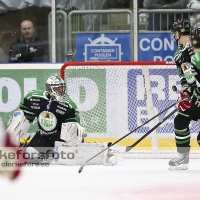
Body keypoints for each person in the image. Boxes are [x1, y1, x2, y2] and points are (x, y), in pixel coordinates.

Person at [6, 75, 119, 166]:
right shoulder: (33, 98)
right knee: (29, 154)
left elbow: (71, 130)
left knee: (68, 155)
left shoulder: (68, 105)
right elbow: (24, 119)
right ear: (49, 88)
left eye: (62, 88)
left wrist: (76, 134)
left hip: (61, 138)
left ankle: (103, 151)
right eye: (57, 88)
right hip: (42, 138)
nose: (61, 91)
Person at [168, 19, 198, 170]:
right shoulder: (179, 53)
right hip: (196, 95)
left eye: (175, 33)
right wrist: (186, 91)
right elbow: (184, 77)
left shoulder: (195, 47)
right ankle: (183, 156)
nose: (174, 37)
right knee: (180, 121)